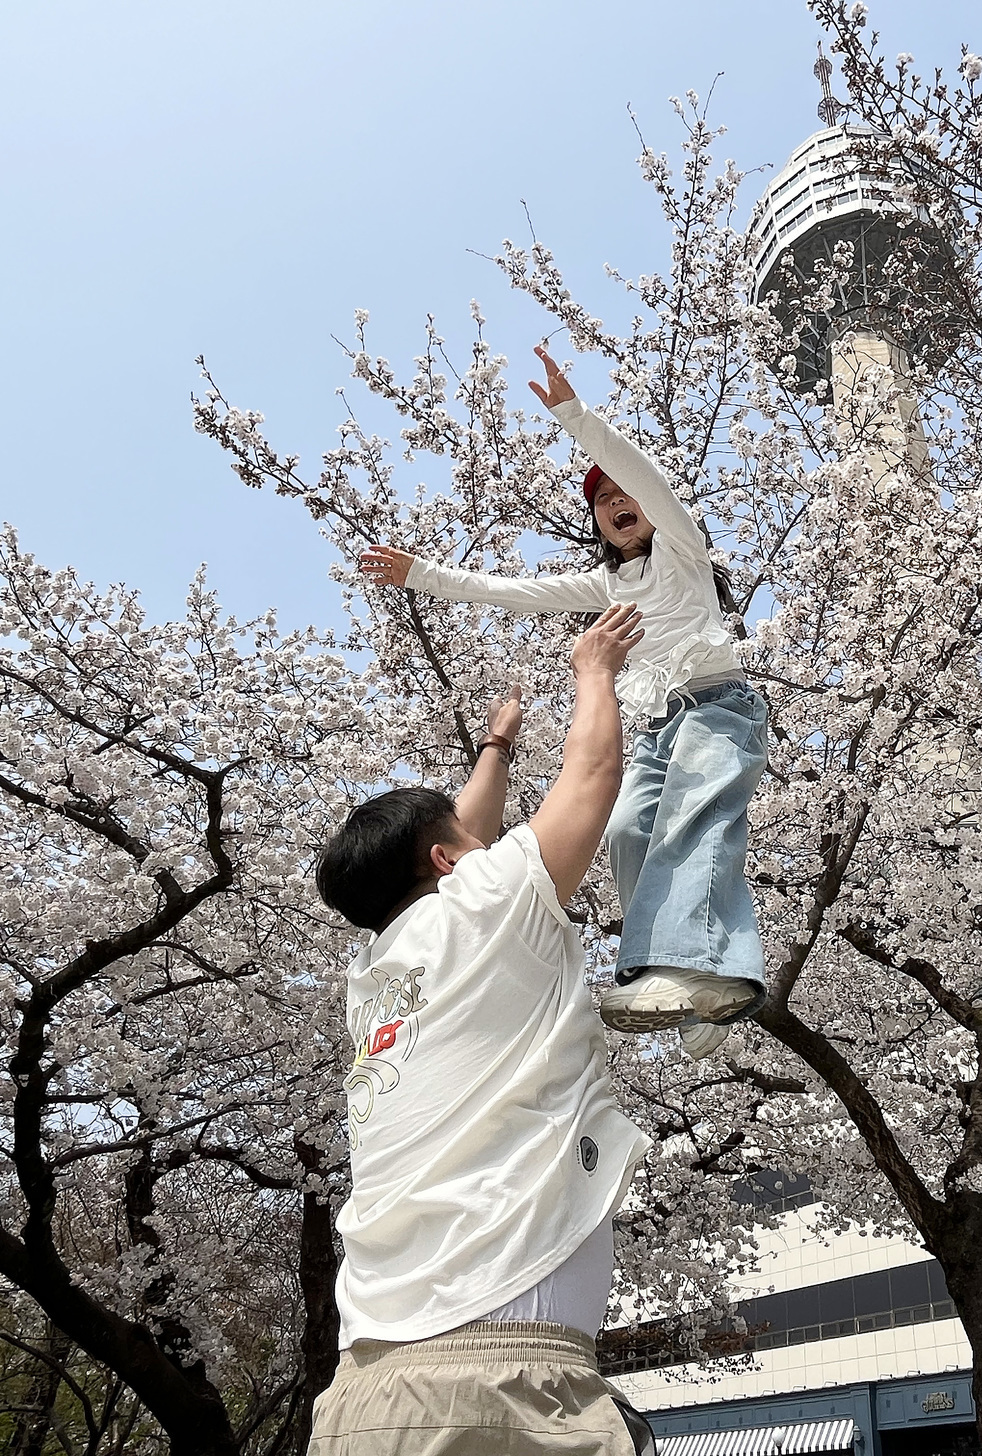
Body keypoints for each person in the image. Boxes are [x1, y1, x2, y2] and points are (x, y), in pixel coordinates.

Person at [310, 604, 657, 1456]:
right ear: (447, 863)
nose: (485, 841)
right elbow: (591, 781)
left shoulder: (377, 975)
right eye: (468, 842)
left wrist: (497, 746)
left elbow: (468, 839)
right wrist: (595, 668)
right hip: (498, 1385)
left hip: (363, 1390)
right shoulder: (484, 901)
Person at [360, 345, 767, 1062]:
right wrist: (419, 573)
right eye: (602, 501)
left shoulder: (682, 551)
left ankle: (707, 967)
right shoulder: (607, 586)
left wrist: (576, 418)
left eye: (623, 494)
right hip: (656, 725)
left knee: (696, 817)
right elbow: (513, 591)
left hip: (715, 703)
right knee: (629, 833)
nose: (616, 502)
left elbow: (648, 478)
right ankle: (667, 974)